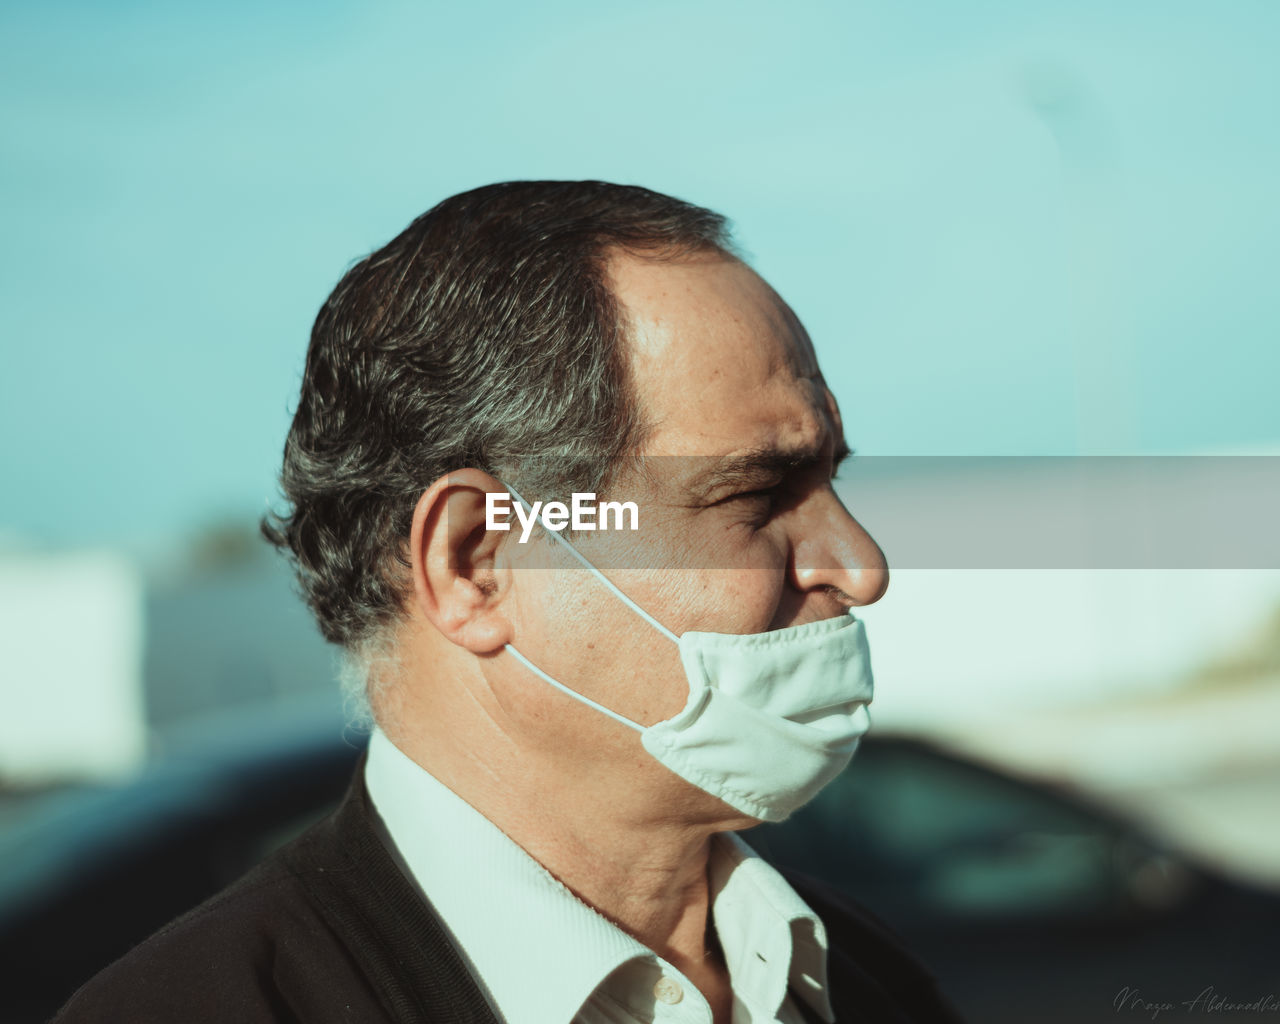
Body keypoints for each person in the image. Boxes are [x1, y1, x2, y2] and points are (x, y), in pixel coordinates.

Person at [53, 181, 967, 1023]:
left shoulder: (865, 979)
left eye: (831, 483)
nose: (861, 565)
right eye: (755, 496)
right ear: (476, 565)